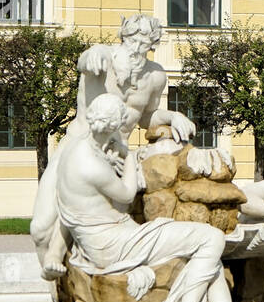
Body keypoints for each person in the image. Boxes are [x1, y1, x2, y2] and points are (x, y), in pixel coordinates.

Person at [55, 93, 264, 302]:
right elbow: (126, 194)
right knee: (212, 238)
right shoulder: (91, 165)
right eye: (119, 129)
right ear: (111, 127)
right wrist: (129, 158)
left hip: (104, 240)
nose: (120, 135)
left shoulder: (77, 149)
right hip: (114, 245)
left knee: (210, 261)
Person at [30, 14, 196, 280]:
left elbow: (146, 117)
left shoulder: (155, 77)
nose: (138, 47)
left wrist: (172, 116)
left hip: (116, 155)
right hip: (76, 148)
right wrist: (92, 54)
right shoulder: (102, 57)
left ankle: (76, 299)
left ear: (153, 43)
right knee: (39, 229)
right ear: (124, 36)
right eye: (133, 39)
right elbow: (84, 62)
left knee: (101, 231)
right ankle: (55, 299)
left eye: (145, 41)